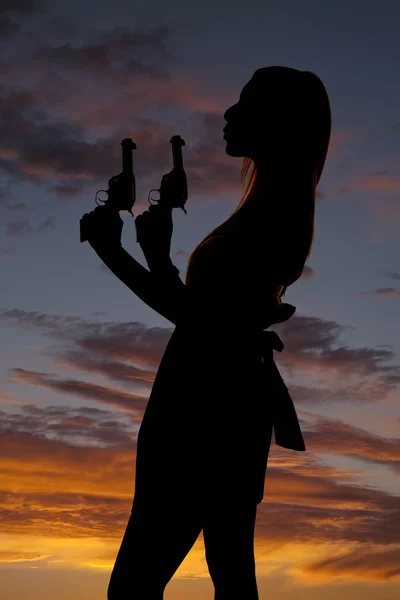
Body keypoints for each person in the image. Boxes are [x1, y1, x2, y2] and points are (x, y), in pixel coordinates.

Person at [84, 65, 331, 599]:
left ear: (276, 122)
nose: (227, 114)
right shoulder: (270, 210)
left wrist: (113, 251)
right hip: (224, 402)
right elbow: (205, 314)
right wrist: (153, 255)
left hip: (202, 408)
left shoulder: (271, 215)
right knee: (231, 574)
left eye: (243, 104)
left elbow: (202, 322)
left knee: (134, 585)